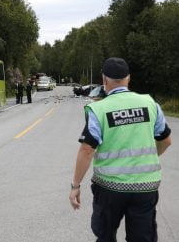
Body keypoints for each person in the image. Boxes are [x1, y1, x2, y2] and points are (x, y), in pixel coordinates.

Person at [69, 57, 172, 242]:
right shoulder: (150, 104)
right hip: (145, 188)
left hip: (109, 188)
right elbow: (166, 141)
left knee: (106, 235)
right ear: (128, 79)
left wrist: (75, 186)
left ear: (104, 80)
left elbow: (86, 149)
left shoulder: (99, 109)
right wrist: (147, 158)